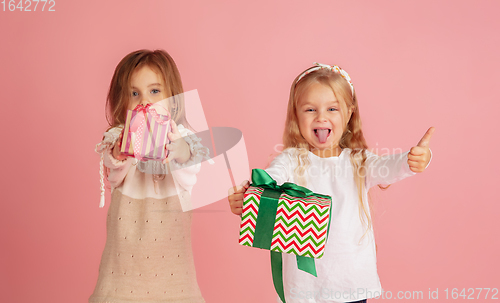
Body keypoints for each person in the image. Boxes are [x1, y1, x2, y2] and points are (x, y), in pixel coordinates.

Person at [228, 63, 434, 303]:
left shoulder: (359, 161)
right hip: (305, 288)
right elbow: (269, 180)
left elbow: (388, 167)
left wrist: (414, 160)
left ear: (349, 114)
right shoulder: (291, 160)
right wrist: (248, 195)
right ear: (296, 115)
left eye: (332, 109)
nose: (321, 116)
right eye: (310, 109)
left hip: (351, 284)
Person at [90, 49, 205, 303]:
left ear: (173, 100)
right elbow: (112, 168)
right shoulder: (119, 136)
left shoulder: (181, 135)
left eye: (155, 91)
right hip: (123, 265)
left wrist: (178, 149)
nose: (145, 101)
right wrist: (122, 150)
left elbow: (192, 161)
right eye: (134, 93)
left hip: (172, 268)